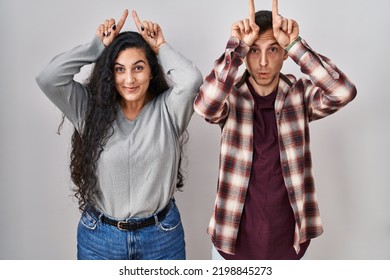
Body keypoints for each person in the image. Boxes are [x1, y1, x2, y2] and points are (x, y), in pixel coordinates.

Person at [194, 0, 357, 260]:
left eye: (273, 49)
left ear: (284, 54)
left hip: (287, 246)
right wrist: (237, 47)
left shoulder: (300, 95)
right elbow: (205, 106)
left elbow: (343, 92)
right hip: (231, 245)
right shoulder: (231, 97)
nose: (263, 62)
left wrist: (297, 46)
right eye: (254, 51)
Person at [36, 9, 202, 260]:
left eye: (138, 68)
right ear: (110, 73)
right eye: (119, 69)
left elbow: (191, 81)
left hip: (161, 238)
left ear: (151, 71)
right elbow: (48, 78)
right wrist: (96, 46)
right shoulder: (89, 109)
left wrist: (160, 47)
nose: (129, 79)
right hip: (101, 240)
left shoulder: (169, 109)